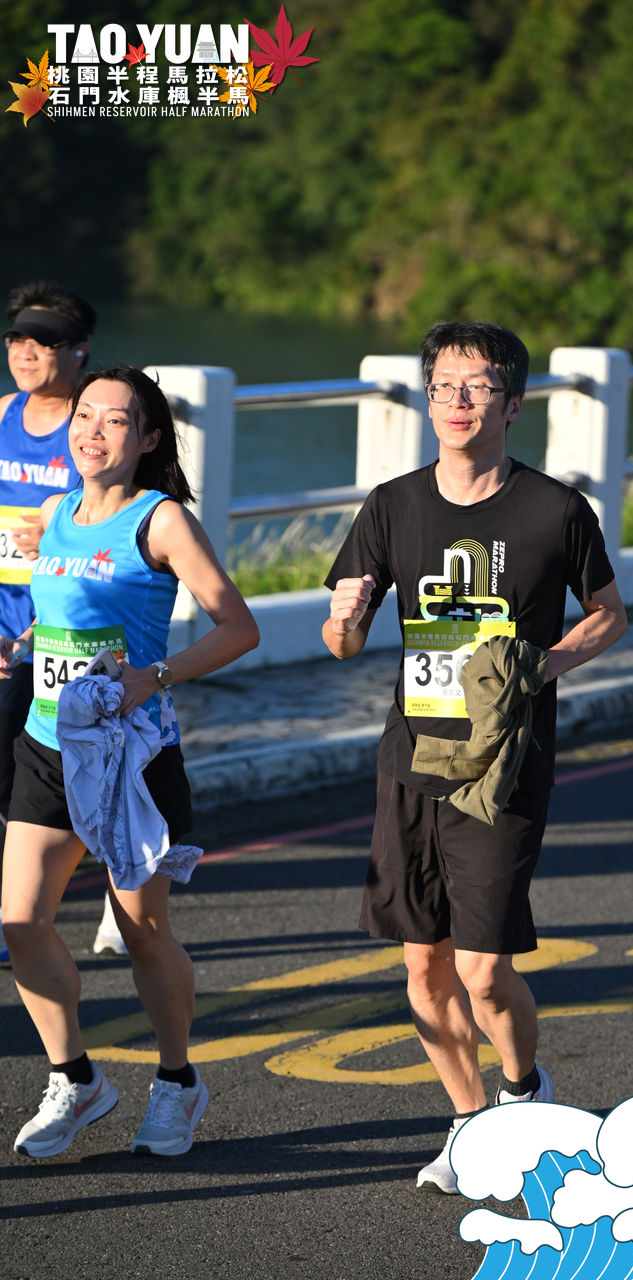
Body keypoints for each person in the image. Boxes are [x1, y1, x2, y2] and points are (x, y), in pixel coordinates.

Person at [323, 321, 627, 1193]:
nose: (458, 400)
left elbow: (608, 614)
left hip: (503, 764)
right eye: (443, 386)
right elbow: (342, 641)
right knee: (422, 962)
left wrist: (543, 665)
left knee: (484, 969)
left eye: (478, 385)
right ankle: (466, 1123)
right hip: (412, 759)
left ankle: (524, 1092)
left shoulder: (553, 510)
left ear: (514, 403)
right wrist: (344, 619)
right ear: (427, 401)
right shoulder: (392, 505)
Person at [1, 364, 259, 1159]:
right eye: (85, 415)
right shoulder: (56, 512)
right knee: (20, 923)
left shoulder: (161, 520)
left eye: (115, 420)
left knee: (144, 933)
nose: (93, 431)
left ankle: (177, 1083)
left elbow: (238, 627)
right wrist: (21, 644)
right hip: (48, 743)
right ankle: (75, 1079)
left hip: (129, 757)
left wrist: (156, 676)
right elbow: (63, 614)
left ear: (147, 438)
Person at [0, 281, 123, 962]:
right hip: (4, 625)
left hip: (68, 629)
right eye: (17, 339)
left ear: (79, 351)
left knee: (87, 774)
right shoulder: (2, 415)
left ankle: (124, 893)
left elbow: (118, 517)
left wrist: (54, 537)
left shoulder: (91, 429)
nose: (25, 352)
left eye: (42, 341)